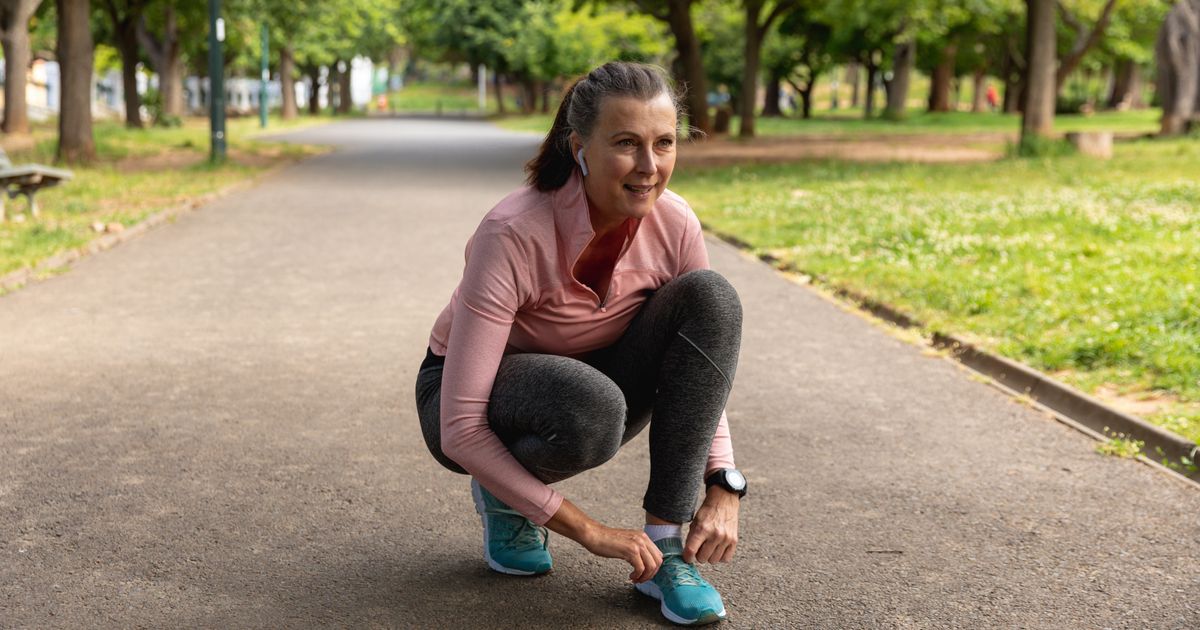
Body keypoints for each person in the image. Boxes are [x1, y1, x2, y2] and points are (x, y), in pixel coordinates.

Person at [415, 61, 747, 626]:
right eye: (626, 144)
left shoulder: (676, 223)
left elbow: (700, 363)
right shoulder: (512, 232)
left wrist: (724, 483)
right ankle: (507, 496)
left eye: (664, 143)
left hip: (598, 377)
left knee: (711, 297)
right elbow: (461, 427)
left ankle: (665, 552)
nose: (650, 167)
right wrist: (587, 531)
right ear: (579, 148)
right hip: (475, 392)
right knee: (591, 407)